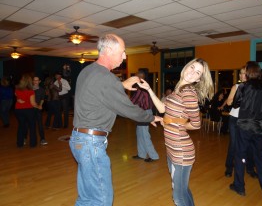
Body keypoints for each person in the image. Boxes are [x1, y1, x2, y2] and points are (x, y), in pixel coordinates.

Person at [69, 33, 163, 206]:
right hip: (91, 143)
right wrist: (151, 116)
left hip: (79, 140)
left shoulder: (88, 71)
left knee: (87, 197)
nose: (125, 56)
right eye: (123, 51)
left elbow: (98, 92)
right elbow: (127, 108)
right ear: (109, 50)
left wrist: (120, 85)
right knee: (102, 199)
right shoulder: (106, 78)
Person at [138, 58, 214, 206]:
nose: (192, 73)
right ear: (186, 67)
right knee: (183, 190)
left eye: (197, 72)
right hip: (172, 147)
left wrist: (175, 123)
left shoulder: (188, 93)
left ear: (199, 79)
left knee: (178, 197)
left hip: (181, 150)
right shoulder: (177, 90)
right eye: (192, 68)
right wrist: (149, 90)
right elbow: (162, 109)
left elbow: (196, 124)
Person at [229, 61, 262, 198]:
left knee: (240, 156)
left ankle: (239, 187)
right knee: (261, 158)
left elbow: (235, 104)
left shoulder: (244, 87)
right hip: (259, 128)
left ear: (248, 72)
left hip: (244, 126)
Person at [224, 67, 257, 178]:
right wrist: (238, 98)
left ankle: (250, 168)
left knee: (249, 145)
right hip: (234, 119)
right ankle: (229, 167)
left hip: (247, 119)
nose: (241, 76)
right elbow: (228, 103)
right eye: (240, 74)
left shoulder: (254, 88)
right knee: (233, 144)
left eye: (244, 73)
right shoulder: (236, 86)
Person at [131, 69, 159, 162]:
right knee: (139, 134)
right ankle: (141, 154)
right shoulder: (142, 87)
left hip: (145, 113)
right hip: (142, 113)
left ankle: (154, 156)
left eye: (136, 76)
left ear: (140, 77)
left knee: (144, 135)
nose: (134, 77)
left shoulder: (142, 88)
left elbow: (133, 101)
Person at [15, 74, 41, 148]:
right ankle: (32, 144)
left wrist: (18, 99)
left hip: (18, 110)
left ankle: (19, 144)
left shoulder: (17, 89)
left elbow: (16, 95)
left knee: (21, 126)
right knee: (32, 126)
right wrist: (39, 106)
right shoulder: (30, 91)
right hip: (28, 110)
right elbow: (33, 103)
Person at [32, 76, 47, 145]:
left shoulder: (41, 90)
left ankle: (42, 139)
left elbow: (42, 99)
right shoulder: (29, 89)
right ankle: (25, 138)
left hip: (37, 109)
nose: (35, 82)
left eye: (37, 80)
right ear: (32, 81)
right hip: (30, 109)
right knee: (29, 124)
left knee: (40, 124)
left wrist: (40, 105)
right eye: (34, 80)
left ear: (39, 81)